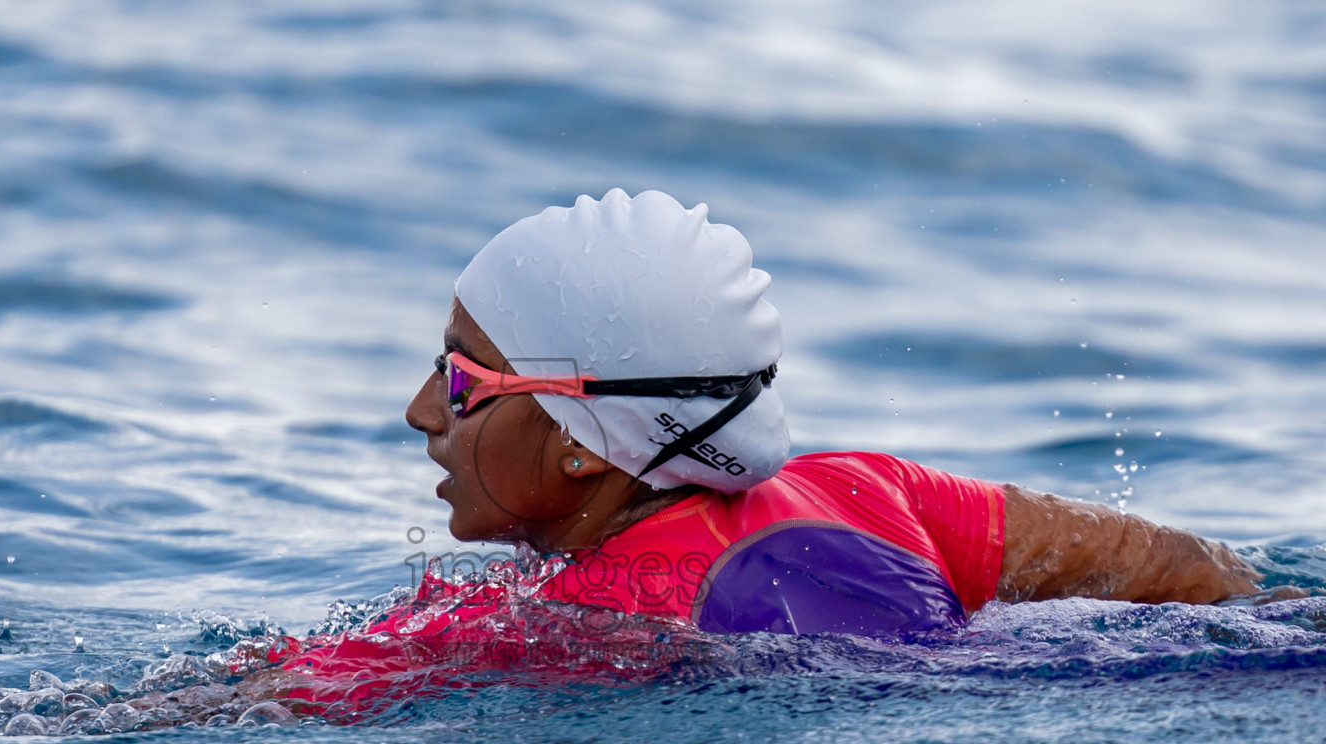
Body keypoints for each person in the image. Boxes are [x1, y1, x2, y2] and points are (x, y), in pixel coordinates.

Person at [399, 188, 1297, 639]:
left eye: (463, 381)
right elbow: (1190, 571)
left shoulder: (587, 622)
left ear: (581, 449)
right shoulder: (866, 489)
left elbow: (281, 707)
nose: (419, 412)